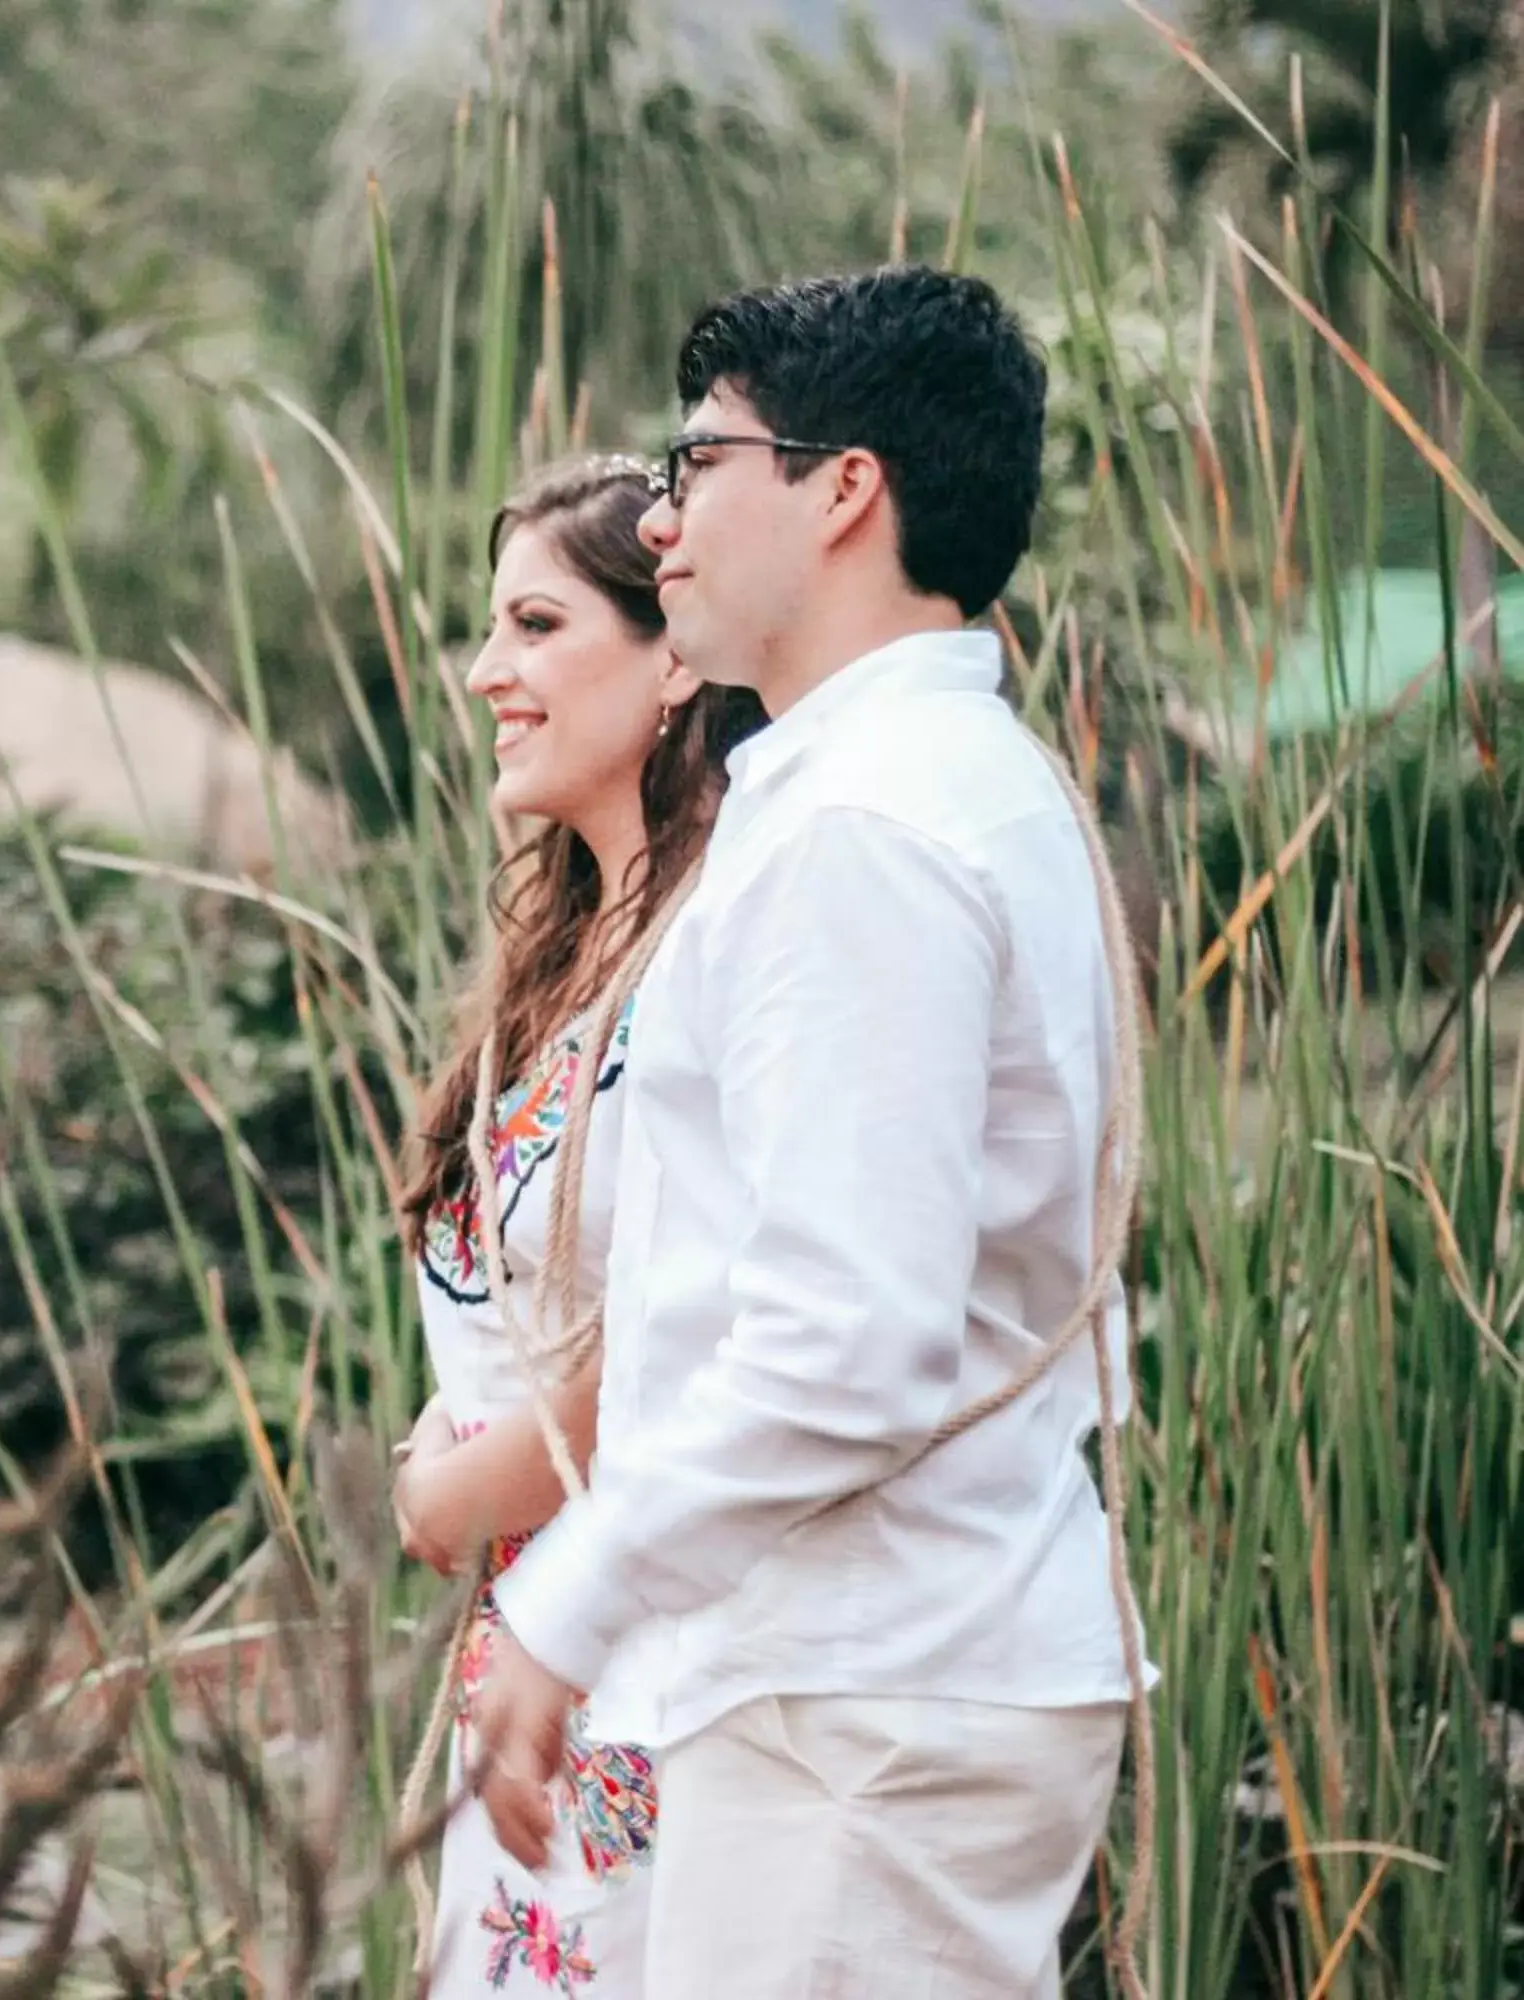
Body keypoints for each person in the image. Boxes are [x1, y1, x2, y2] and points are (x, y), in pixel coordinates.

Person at [466, 264, 1149, 1998]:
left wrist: (570, 1596)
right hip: (884, 1669)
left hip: (868, 1684)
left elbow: (847, 1340)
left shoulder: (872, 831)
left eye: (698, 466)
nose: (667, 521)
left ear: (846, 490)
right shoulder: (926, 792)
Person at [390, 456, 764, 1996]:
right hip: (531, 1652)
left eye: (537, 626)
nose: (489, 675)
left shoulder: (723, 931)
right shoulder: (570, 951)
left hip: (652, 1655)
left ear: (674, 656)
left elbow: (725, 1302)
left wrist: (459, 1488)